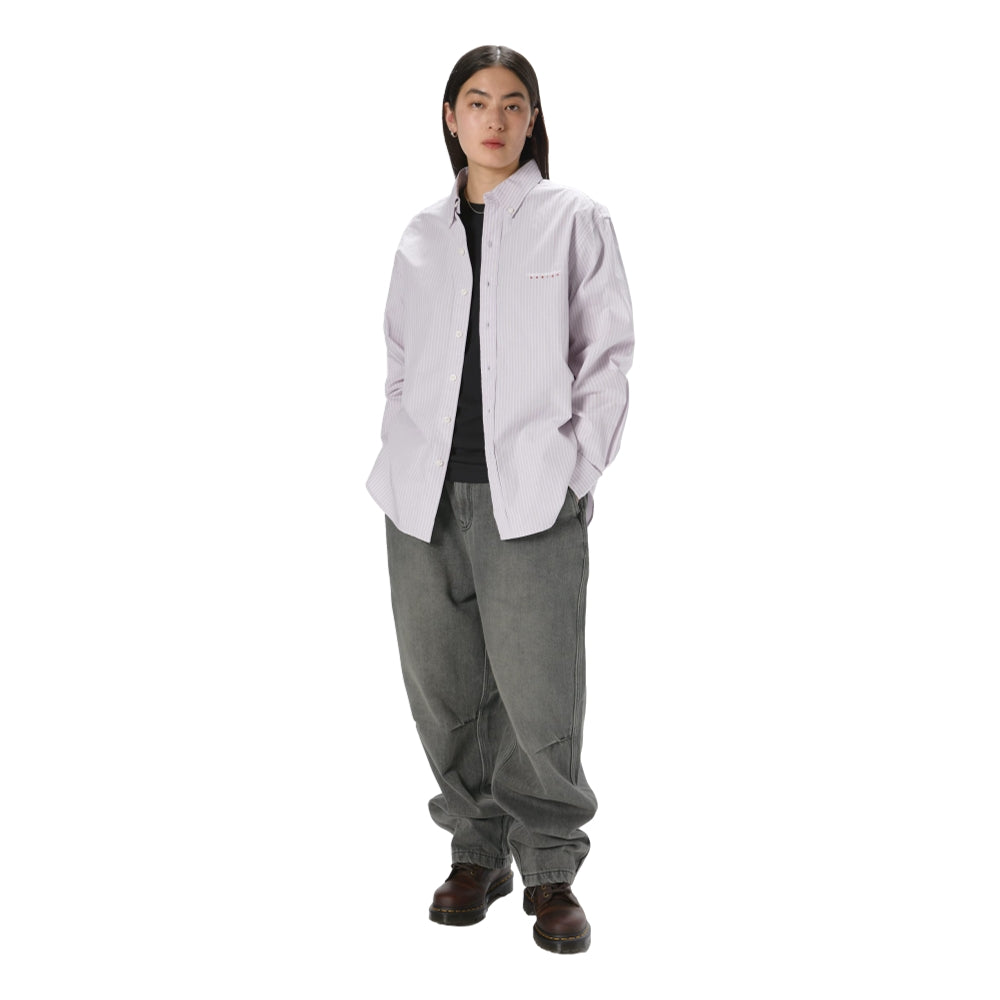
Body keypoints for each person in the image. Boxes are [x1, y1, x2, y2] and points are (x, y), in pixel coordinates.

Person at [366, 44, 633, 955]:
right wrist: (403, 449)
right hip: (423, 498)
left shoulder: (574, 219)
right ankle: (474, 852)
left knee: (538, 691)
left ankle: (550, 866)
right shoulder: (421, 234)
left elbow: (606, 359)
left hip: (531, 495)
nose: (493, 118)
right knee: (442, 689)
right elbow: (399, 358)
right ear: (450, 118)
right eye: (476, 102)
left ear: (532, 119)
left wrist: (575, 473)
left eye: (512, 103)